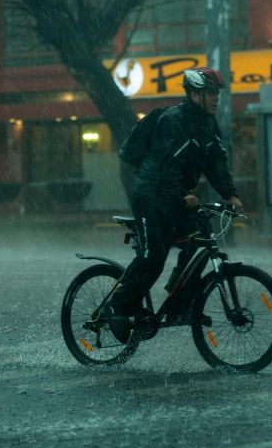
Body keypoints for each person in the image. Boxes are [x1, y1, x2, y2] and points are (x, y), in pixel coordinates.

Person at [104, 66, 243, 343]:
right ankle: (117, 307)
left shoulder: (207, 123)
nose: (216, 98)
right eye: (211, 93)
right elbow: (165, 163)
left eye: (217, 93)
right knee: (154, 255)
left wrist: (230, 194)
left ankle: (179, 304)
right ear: (193, 94)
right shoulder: (173, 120)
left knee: (198, 241)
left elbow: (216, 161)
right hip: (151, 195)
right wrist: (181, 194)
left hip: (175, 196)